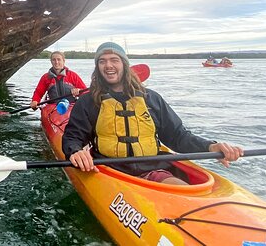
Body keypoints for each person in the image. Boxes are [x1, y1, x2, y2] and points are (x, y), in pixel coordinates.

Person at [62, 42, 243, 185]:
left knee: (178, 187)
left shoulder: (151, 99)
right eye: (102, 61)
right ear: (98, 68)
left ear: (124, 65)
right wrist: (75, 151)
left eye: (114, 60)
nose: (108, 65)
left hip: (151, 169)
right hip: (107, 171)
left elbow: (178, 136)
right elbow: (73, 137)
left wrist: (210, 147)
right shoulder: (88, 102)